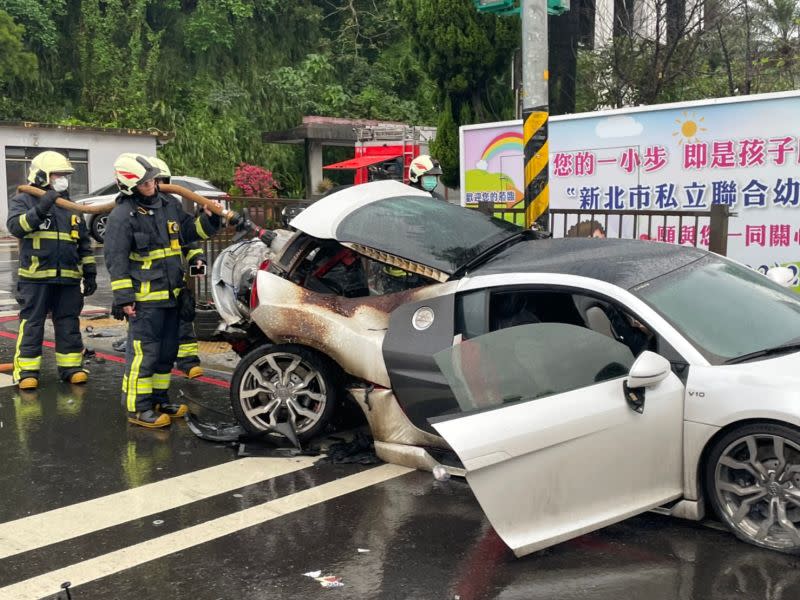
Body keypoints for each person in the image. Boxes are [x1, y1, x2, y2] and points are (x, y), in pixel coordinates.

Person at [104, 153, 222, 428]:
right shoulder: (122, 216)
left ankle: (158, 399)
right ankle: (138, 407)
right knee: (144, 355)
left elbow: (189, 233)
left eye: (153, 180)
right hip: (144, 302)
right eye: (145, 183)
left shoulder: (169, 204)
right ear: (129, 186)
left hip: (171, 296)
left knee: (167, 353)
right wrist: (124, 298)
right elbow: (116, 260)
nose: (152, 186)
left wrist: (209, 218)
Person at [6, 151, 96, 389]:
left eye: (65, 175)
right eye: (58, 174)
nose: (63, 179)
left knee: (68, 323)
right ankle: (26, 372)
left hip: (67, 279)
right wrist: (41, 208)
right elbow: (16, 227)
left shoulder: (70, 207)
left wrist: (90, 273)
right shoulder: (24, 200)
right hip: (35, 279)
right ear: (43, 175)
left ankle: (71, 367)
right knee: (32, 324)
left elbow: (84, 244)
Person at [147, 156, 204, 379]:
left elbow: (187, 237)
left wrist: (197, 258)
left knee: (183, 320)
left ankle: (188, 362)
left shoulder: (172, 205)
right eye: (156, 180)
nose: (159, 185)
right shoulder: (136, 210)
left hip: (174, 280)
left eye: (162, 180)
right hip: (149, 284)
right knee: (154, 331)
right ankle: (153, 366)